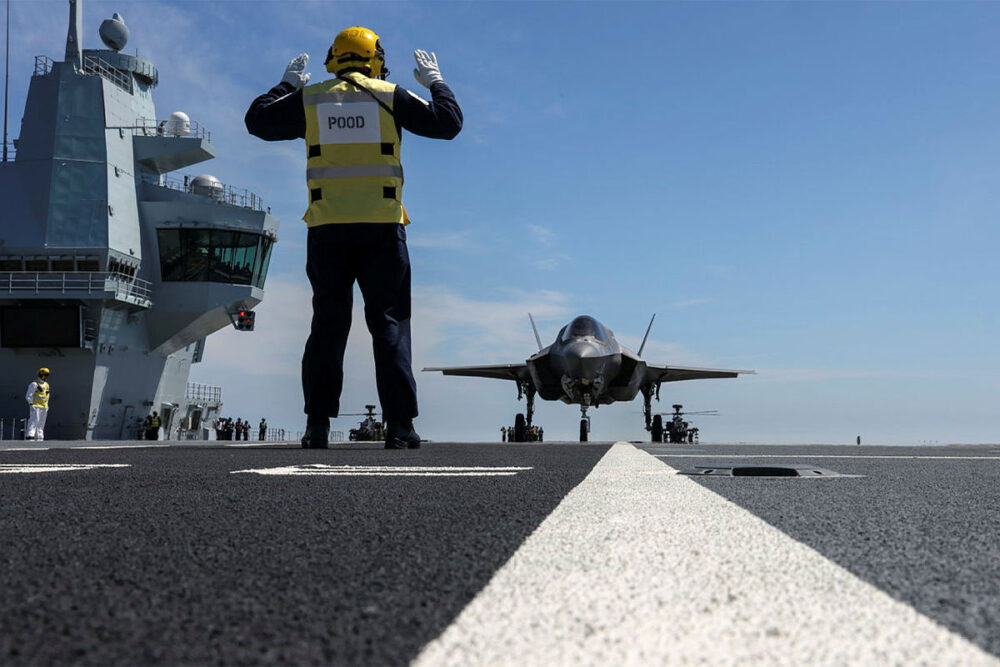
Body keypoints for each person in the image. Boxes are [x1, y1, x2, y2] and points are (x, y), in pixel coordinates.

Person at [246, 27, 462, 450]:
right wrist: (436, 81)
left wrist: (287, 83)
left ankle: (317, 427)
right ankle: (399, 427)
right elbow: (449, 124)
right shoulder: (390, 94)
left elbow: (257, 121)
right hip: (382, 228)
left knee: (328, 324)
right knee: (389, 324)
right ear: (374, 57)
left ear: (333, 58)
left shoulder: (311, 99)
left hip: (327, 229)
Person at [25, 368, 51, 441]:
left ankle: (39, 436)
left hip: (44, 407)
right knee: (33, 421)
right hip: (35, 406)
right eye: (44, 375)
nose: (45, 377)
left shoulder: (46, 385)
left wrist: (47, 405)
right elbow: (28, 395)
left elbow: (47, 396)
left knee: (41, 423)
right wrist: (31, 404)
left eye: (46, 375)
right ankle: (30, 435)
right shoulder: (34, 384)